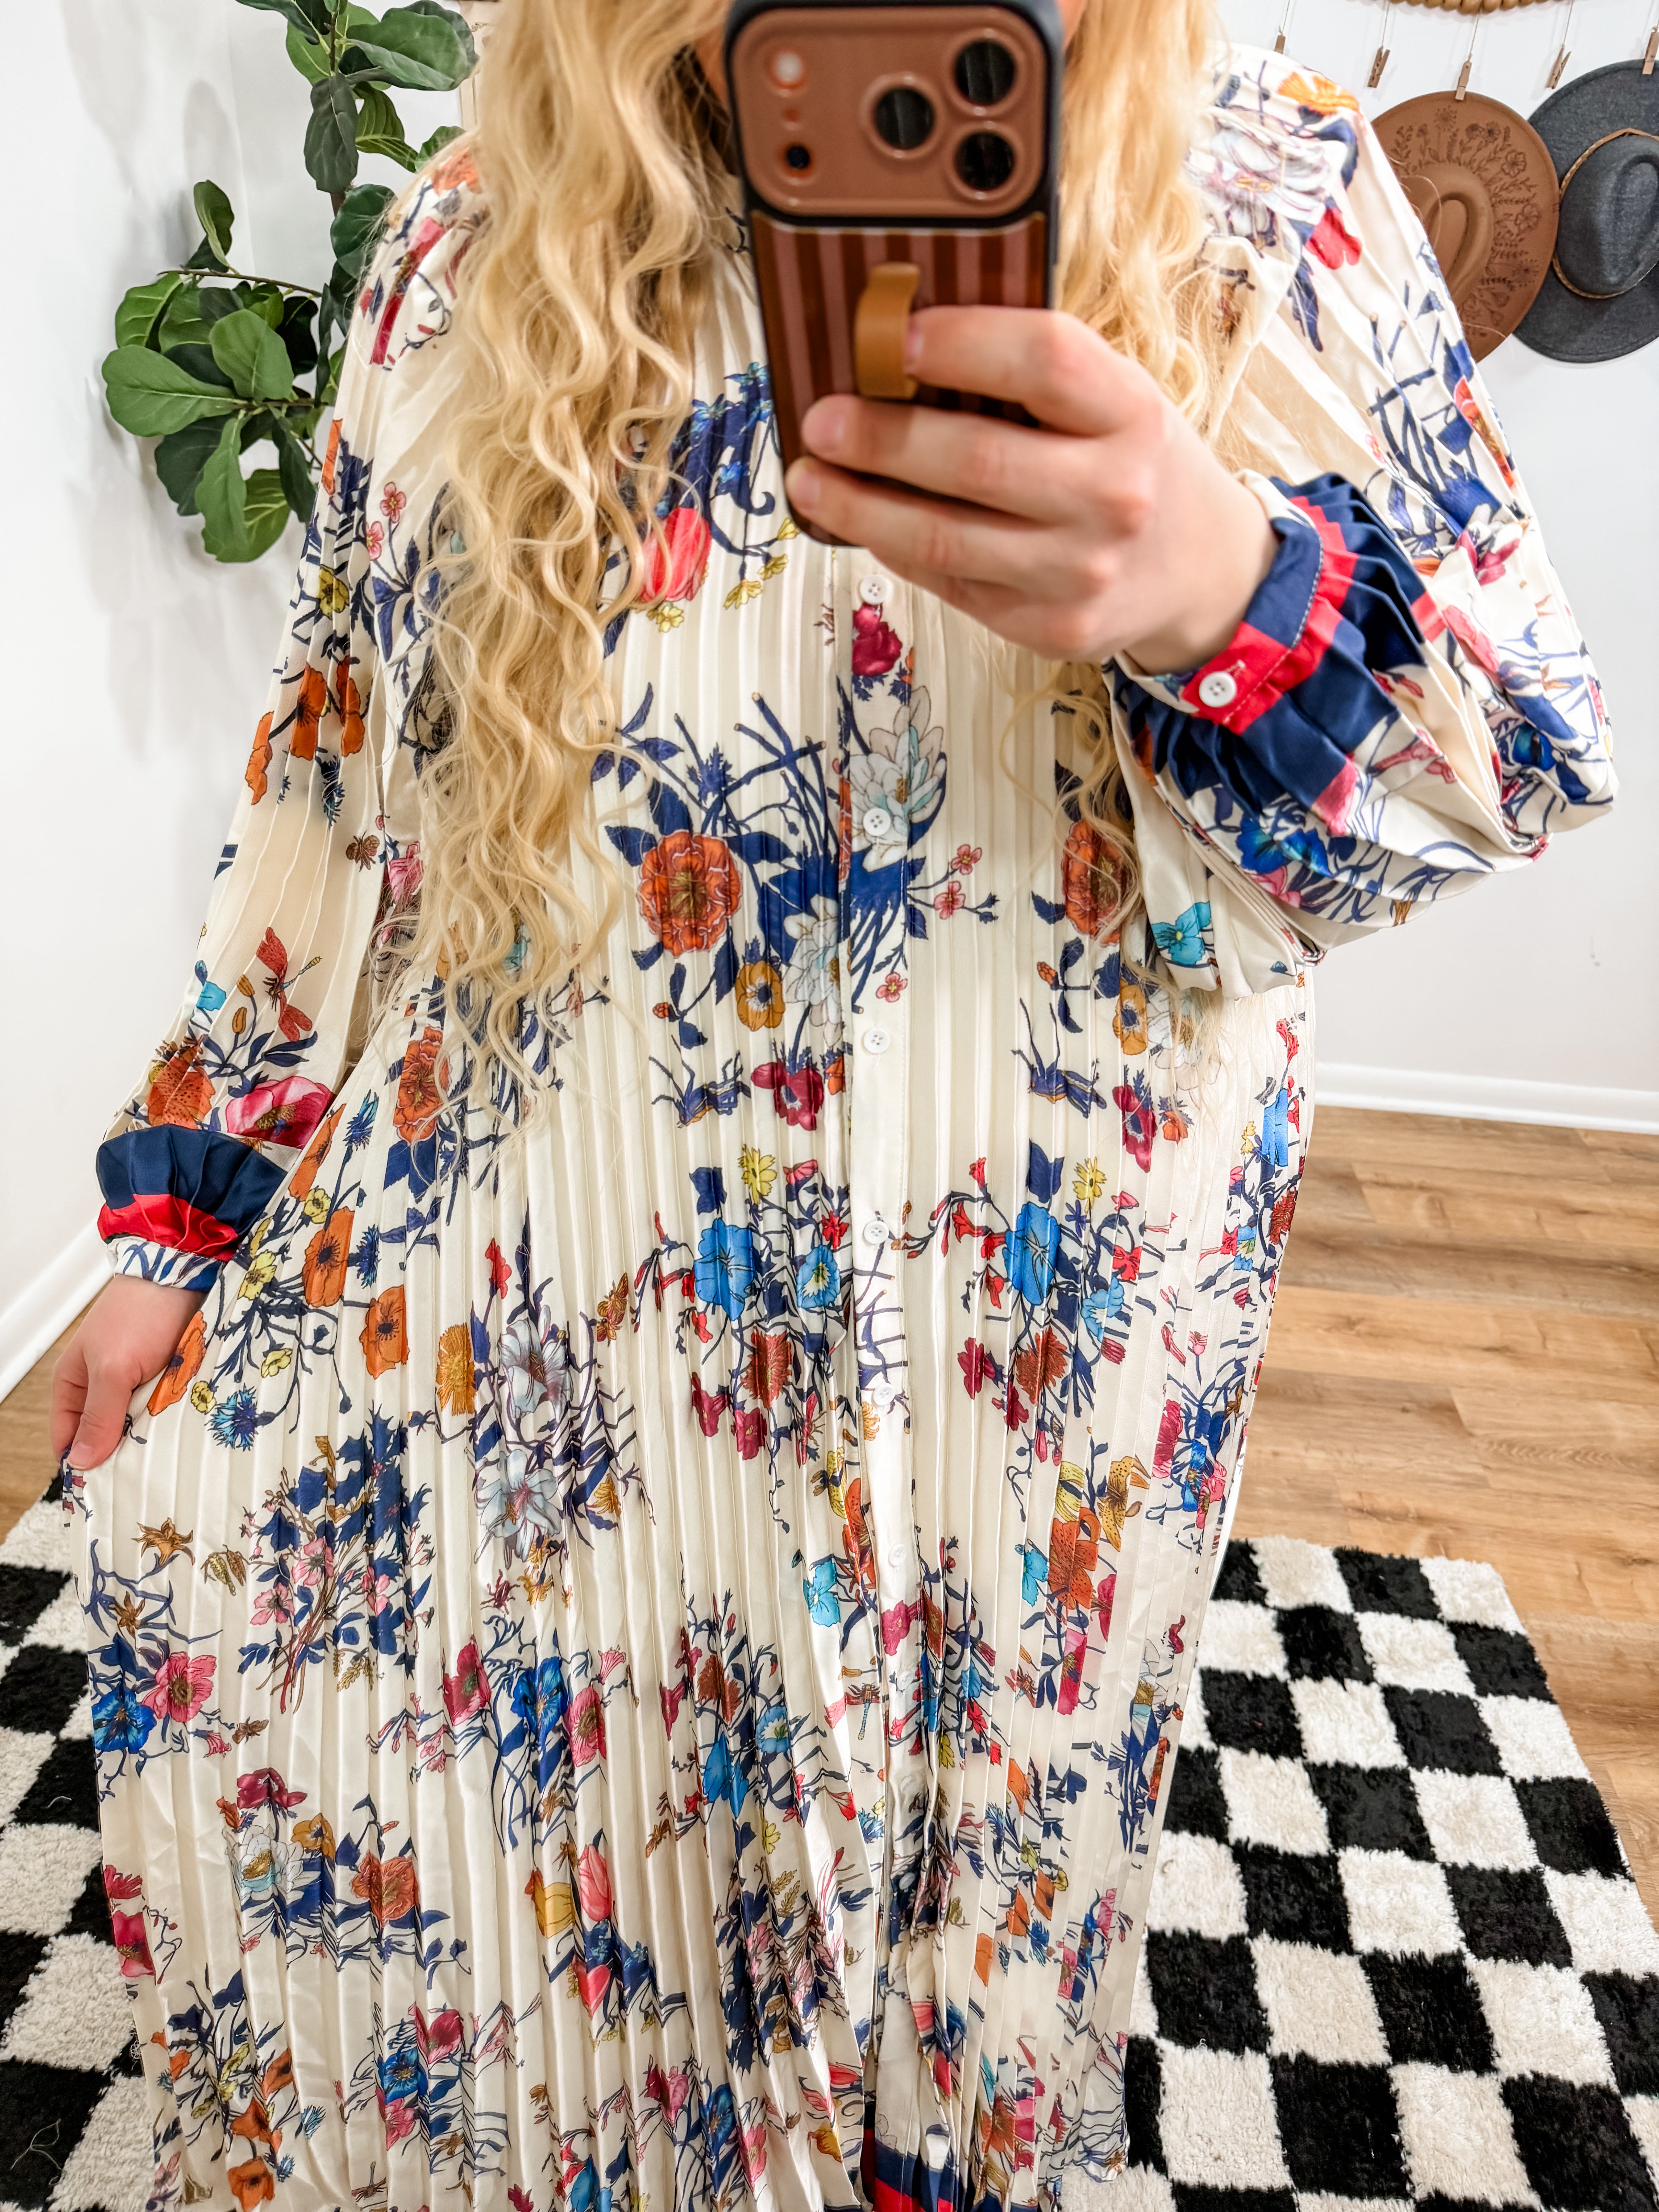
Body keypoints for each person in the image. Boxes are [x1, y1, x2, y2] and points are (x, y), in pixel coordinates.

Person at [53, 0, 1613, 2205]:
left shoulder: (1275, 202)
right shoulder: (474, 244)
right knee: (558, 1920)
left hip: (1034, 1375)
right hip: (566, 1319)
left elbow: (1498, 774)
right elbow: (339, 774)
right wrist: (188, 1213)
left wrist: (1220, 590)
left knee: (948, 1932)